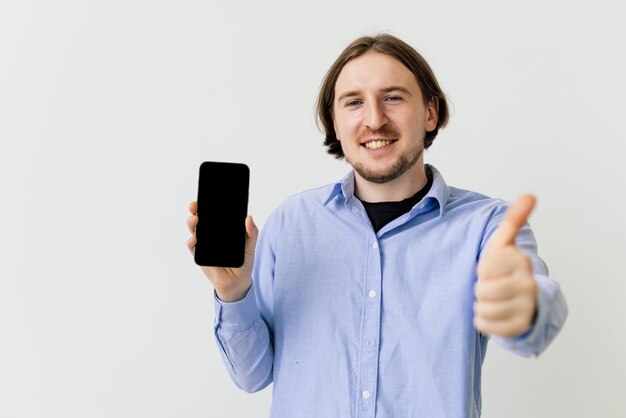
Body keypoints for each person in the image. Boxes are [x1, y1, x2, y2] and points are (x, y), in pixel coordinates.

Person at [186, 34, 567, 418]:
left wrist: (523, 307)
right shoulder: (290, 222)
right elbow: (251, 376)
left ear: (431, 113)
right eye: (354, 102)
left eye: (394, 97)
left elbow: (536, 323)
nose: (374, 119)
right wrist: (233, 293)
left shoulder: (488, 226)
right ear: (335, 124)